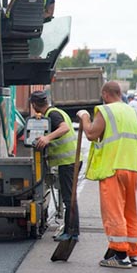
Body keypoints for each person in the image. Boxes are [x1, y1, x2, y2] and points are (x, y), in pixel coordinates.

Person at [77, 81, 137, 269]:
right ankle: (134, 254)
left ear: (106, 94)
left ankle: (120, 254)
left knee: (113, 211)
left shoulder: (106, 111)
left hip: (113, 168)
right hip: (132, 168)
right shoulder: (134, 113)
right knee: (129, 211)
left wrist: (84, 116)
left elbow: (91, 133)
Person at [29, 90, 79, 241]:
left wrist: (47, 138)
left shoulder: (52, 114)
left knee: (69, 198)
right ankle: (71, 231)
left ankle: (72, 233)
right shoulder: (53, 112)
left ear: (34, 105)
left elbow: (64, 128)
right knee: (68, 197)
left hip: (68, 162)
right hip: (69, 161)